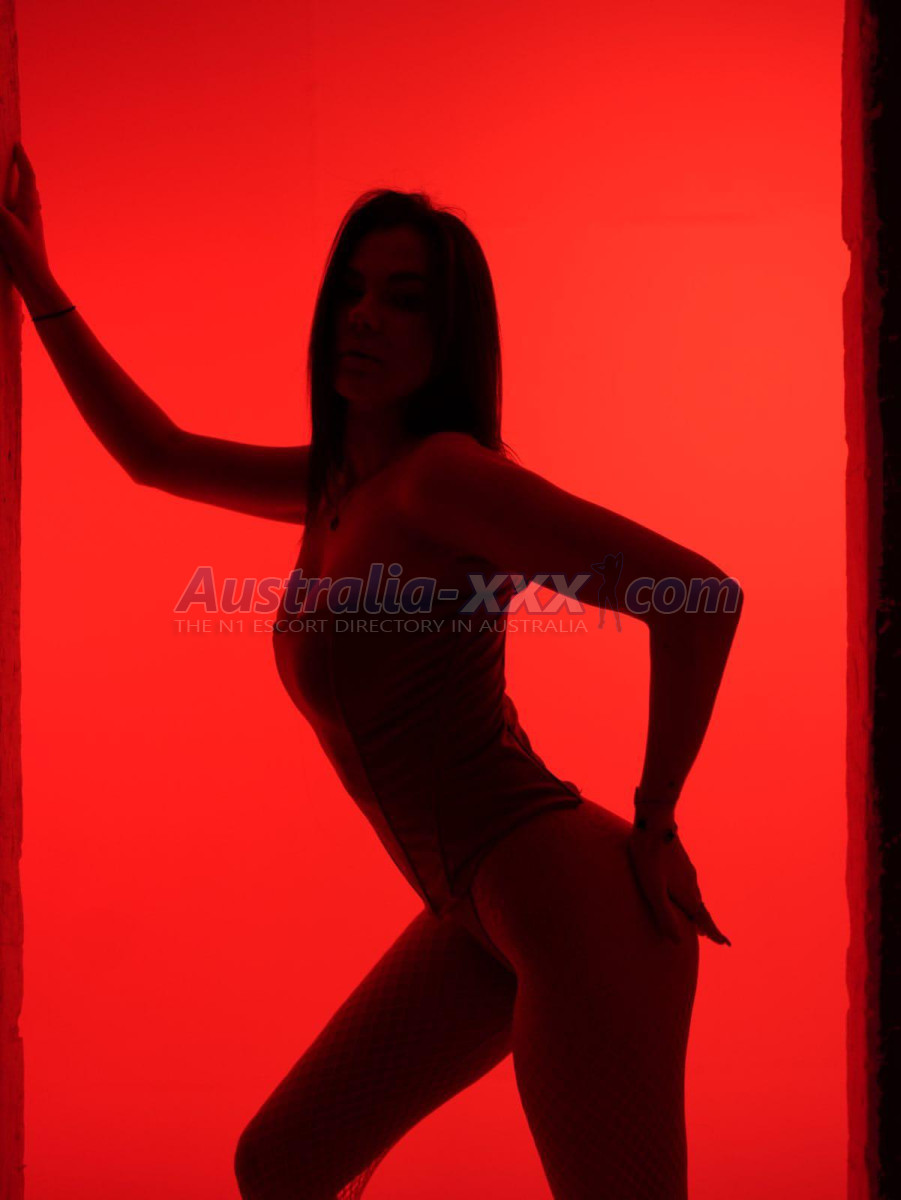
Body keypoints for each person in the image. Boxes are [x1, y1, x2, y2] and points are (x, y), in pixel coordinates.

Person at [0, 141, 743, 1200]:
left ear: (449, 338)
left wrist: (657, 819)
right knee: (284, 1164)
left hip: (572, 904)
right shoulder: (342, 486)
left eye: (402, 300)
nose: (362, 317)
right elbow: (154, 453)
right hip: (472, 906)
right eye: (349, 290)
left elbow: (698, 597)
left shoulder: (444, 480)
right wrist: (37, 280)